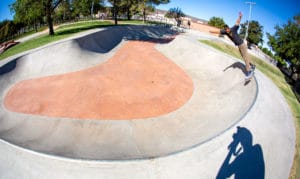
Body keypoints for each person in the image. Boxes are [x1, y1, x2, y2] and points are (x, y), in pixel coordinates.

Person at [210, 12, 255, 81]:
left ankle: (249, 72)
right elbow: (218, 31)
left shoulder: (233, 29)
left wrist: (240, 17)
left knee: (245, 57)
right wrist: (211, 31)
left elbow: (237, 23)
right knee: (244, 56)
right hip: (239, 46)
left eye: (227, 29)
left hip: (242, 44)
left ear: (229, 28)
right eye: (226, 30)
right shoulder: (225, 32)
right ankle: (252, 65)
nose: (227, 31)